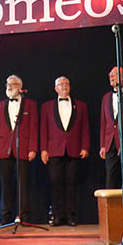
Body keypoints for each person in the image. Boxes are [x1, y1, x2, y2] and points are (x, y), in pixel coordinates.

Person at [40, 76, 89, 226]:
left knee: (72, 183)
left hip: (74, 149)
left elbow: (85, 128)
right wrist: (43, 150)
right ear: (55, 88)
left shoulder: (81, 106)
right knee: (55, 183)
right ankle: (57, 215)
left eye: (66, 84)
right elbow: (43, 130)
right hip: (54, 150)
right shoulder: (47, 106)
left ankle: (71, 216)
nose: (64, 86)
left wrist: (85, 147)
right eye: (60, 84)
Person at [0, 75, 38, 224]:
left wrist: (33, 148)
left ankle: (23, 216)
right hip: (4, 148)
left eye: (12, 84)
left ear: (20, 87)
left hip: (23, 148)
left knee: (23, 183)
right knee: (5, 184)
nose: (9, 87)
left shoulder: (30, 104)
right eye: (7, 84)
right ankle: (6, 216)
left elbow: (33, 127)